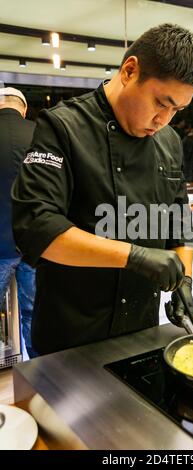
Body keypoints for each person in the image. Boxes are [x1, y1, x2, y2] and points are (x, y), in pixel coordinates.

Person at [12, 24, 193, 355]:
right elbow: (36, 227)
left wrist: (183, 280)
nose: (164, 120)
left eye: (177, 110)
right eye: (161, 103)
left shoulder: (169, 142)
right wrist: (136, 256)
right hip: (71, 336)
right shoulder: (63, 127)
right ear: (130, 71)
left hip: (140, 331)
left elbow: (179, 224)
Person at [0, 87, 37, 358]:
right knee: (33, 315)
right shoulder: (39, 135)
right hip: (33, 245)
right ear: (23, 109)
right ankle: (39, 378)